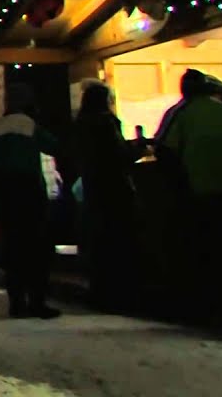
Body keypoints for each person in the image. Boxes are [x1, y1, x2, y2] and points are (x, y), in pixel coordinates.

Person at [156, 68, 222, 308]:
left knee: (196, 249)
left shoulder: (180, 112)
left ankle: (199, 301)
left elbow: (164, 148)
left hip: (193, 190)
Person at [0, 84, 62, 319]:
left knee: (13, 245)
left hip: (4, 190)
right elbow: (52, 146)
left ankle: (16, 302)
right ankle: (37, 301)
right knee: (35, 247)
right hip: (29, 188)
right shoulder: (28, 124)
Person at [71, 82, 138, 310]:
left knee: (98, 242)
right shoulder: (105, 122)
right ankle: (117, 293)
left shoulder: (81, 123)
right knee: (116, 241)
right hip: (114, 188)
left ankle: (99, 291)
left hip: (92, 188)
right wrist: (139, 148)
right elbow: (119, 154)